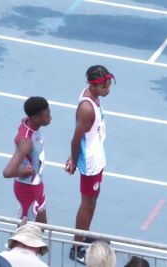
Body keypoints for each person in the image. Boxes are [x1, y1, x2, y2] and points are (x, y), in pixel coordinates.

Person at [65, 65, 114, 263]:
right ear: (93, 86)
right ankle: (77, 248)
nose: (108, 90)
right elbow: (75, 140)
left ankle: (83, 234)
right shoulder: (86, 108)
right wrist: (74, 160)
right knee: (87, 203)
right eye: (105, 87)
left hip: (96, 154)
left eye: (109, 85)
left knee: (93, 198)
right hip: (90, 161)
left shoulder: (93, 96)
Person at [3, 96, 52, 224]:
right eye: (46, 116)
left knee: (41, 226)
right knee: (26, 231)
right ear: (35, 118)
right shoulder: (26, 142)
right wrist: (24, 171)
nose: (50, 117)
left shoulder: (30, 122)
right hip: (27, 189)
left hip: (37, 184)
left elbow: (24, 121)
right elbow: (7, 172)